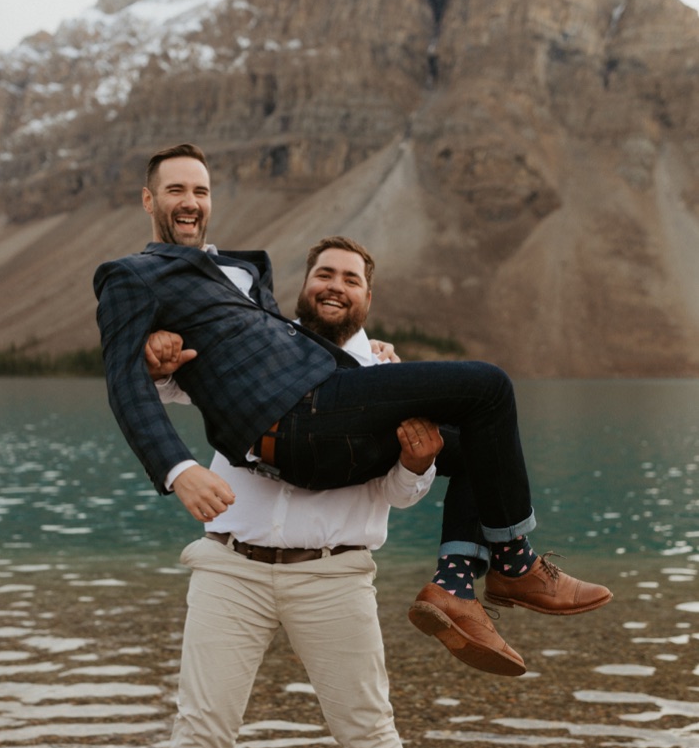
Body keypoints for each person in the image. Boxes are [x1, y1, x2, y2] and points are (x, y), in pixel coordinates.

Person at [95, 143, 610, 672]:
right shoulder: (131, 275)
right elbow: (124, 380)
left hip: (326, 429)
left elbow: (251, 357)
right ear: (148, 199)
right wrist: (178, 467)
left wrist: (370, 374)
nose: (190, 201)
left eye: (200, 190)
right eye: (175, 189)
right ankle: (514, 563)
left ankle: (453, 587)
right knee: (489, 387)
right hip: (298, 419)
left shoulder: (246, 276)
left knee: (480, 440)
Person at [122, 236, 464, 748]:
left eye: (350, 278)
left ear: (368, 296)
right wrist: (155, 351)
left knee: (366, 725)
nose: (335, 286)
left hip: (334, 572)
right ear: (304, 286)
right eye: (324, 274)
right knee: (203, 724)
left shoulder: (384, 370)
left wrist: (415, 462)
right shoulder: (249, 340)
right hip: (231, 565)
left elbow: (398, 496)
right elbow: (161, 387)